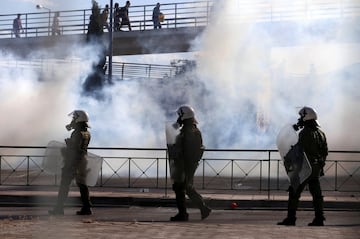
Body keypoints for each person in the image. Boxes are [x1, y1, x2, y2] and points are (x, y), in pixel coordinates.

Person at [278, 106, 328, 226]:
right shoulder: (320, 133)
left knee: (294, 192)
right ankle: (319, 218)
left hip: (305, 168)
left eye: (301, 116)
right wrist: (320, 165)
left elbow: (299, 151)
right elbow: (325, 151)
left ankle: (291, 218)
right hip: (315, 168)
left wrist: (289, 156)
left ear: (306, 116)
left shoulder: (305, 133)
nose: (300, 118)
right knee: (317, 194)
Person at [168, 105, 211, 221]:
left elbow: (188, 151)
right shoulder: (190, 130)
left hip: (185, 165)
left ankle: (184, 214)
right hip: (185, 164)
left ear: (184, 116)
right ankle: (202, 208)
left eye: (180, 116)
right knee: (186, 188)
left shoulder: (189, 132)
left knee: (180, 187)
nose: (178, 118)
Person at [49, 110, 92, 216]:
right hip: (82, 161)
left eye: (74, 118)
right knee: (82, 185)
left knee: (64, 185)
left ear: (79, 119)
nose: (73, 120)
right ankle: (87, 208)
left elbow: (74, 149)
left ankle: (59, 209)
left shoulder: (77, 133)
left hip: (73, 161)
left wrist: (68, 144)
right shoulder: (86, 132)